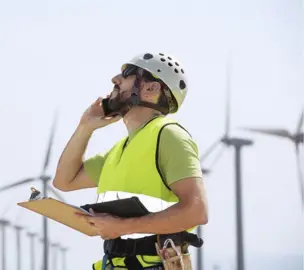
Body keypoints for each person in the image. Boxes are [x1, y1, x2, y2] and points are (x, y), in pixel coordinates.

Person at [52, 52, 208, 270]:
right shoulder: (120, 149)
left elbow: (197, 211)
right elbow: (63, 182)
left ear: (152, 88)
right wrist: (85, 126)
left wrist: (121, 227)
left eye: (127, 74)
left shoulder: (169, 135)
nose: (115, 79)